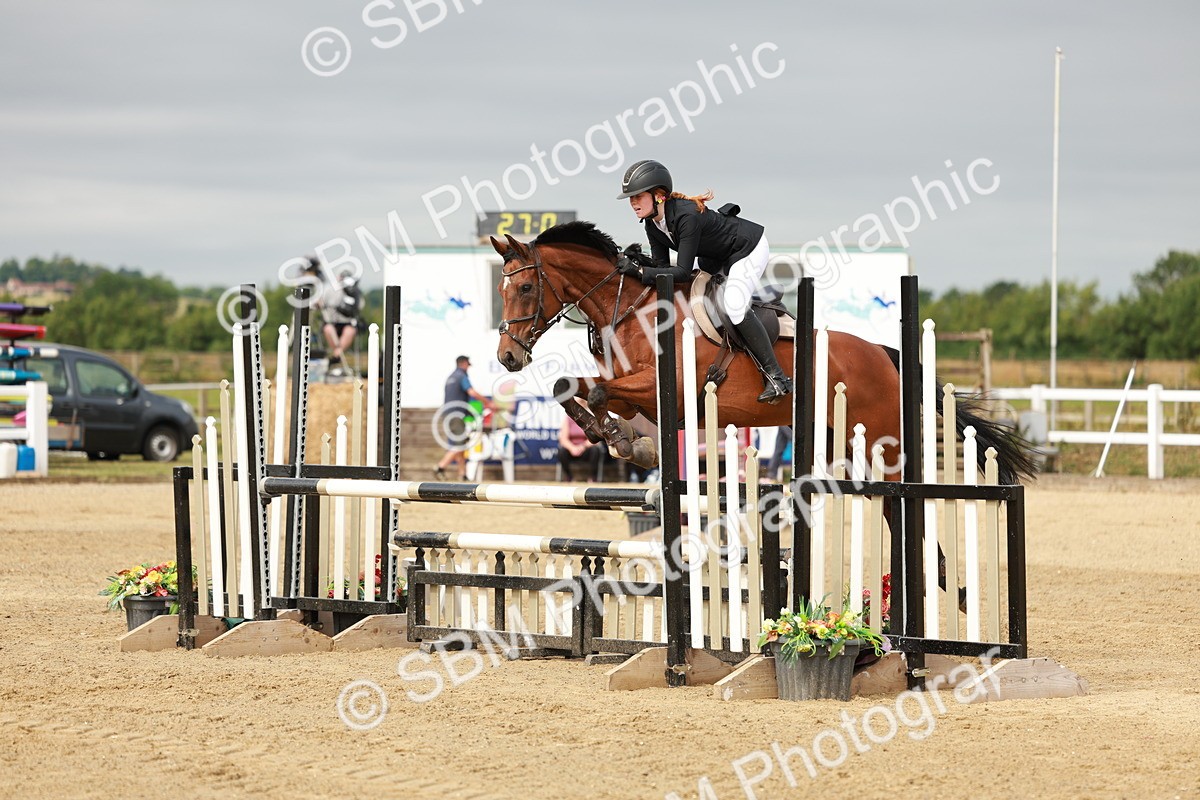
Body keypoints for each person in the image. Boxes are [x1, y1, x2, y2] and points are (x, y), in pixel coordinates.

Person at [615, 159, 793, 404]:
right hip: (715, 255)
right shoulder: (652, 224)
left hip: (746, 249)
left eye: (638, 196)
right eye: (631, 198)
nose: (633, 203)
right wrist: (633, 263)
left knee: (734, 306)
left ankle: (777, 377)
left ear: (658, 196)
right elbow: (662, 268)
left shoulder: (686, 217)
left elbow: (680, 271)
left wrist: (639, 271)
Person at [434, 355, 493, 479]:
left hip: (449, 414)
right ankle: (440, 467)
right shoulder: (462, 376)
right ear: (464, 363)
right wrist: (487, 402)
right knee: (460, 444)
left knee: (459, 442)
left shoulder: (451, 377)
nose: (468, 368)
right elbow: (472, 392)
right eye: (468, 365)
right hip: (456, 415)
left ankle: (463, 474)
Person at [305, 256, 363, 379]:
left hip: (346, 323)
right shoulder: (330, 290)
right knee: (328, 330)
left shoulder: (354, 291)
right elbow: (319, 302)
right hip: (331, 323)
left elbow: (359, 307)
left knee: (350, 331)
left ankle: (336, 356)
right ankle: (337, 356)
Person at [557, 411, 606, 482]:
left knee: (595, 450)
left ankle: (592, 478)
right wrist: (572, 448)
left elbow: (595, 438)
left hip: (586, 449)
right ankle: (569, 477)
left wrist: (583, 446)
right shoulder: (568, 419)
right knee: (562, 451)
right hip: (572, 450)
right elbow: (563, 439)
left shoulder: (590, 420)